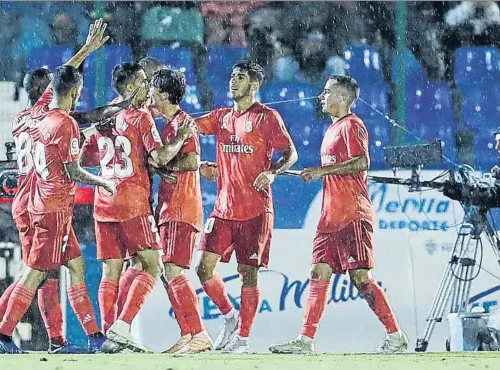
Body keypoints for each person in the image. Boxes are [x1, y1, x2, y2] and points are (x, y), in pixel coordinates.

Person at [0, 19, 124, 354]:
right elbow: (67, 87)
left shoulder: (26, 117)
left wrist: (85, 52)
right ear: (46, 90)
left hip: (28, 199)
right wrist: (87, 50)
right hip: (46, 201)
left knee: (68, 265)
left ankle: (85, 337)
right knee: (39, 273)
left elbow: (64, 81)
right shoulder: (58, 119)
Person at [269, 75, 408, 354]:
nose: (321, 96)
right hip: (329, 218)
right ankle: (305, 340)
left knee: (360, 277)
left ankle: (396, 337)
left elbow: (362, 162)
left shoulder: (352, 125)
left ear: (342, 98)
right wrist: (318, 173)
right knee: (318, 271)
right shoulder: (331, 129)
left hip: (352, 215)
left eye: (326, 92)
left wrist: (321, 171)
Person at [80, 62, 197, 353]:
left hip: (103, 201)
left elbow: (86, 159)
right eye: (144, 82)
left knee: (111, 270)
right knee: (153, 264)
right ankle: (122, 325)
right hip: (132, 203)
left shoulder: (104, 118)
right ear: (131, 88)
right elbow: (158, 157)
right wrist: (182, 135)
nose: (148, 87)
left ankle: (107, 336)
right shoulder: (141, 117)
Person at [194, 61, 298, 353]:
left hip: (255, 210)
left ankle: (243, 339)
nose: (232, 81)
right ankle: (229, 317)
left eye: (240, 78)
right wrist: (199, 164)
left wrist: (273, 172)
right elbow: (189, 127)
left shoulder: (267, 117)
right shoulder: (221, 117)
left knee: (247, 273)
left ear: (253, 85)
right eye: (231, 75)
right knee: (203, 269)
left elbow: (291, 153)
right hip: (223, 210)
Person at [147, 68, 213, 354]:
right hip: (169, 206)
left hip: (181, 206)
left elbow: (193, 162)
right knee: (166, 271)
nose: (148, 93)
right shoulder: (169, 125)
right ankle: (187, 334)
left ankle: (199, 333)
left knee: (173, 269)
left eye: (151, 89)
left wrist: (165, 167)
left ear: (162, 95)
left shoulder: (185, 123)